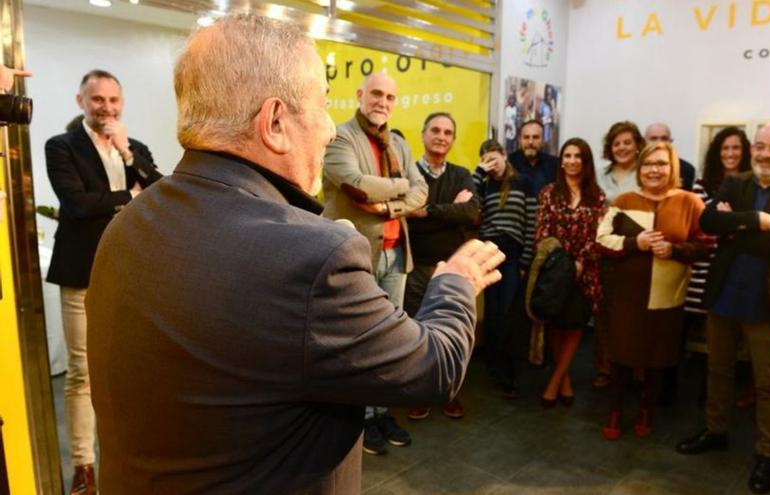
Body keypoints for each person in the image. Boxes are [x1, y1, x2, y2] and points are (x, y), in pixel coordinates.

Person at [86, 14, 504, 495]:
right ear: (276, 122)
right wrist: (455, 280)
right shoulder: (312, 256)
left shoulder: (128, 224)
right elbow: (435, 367)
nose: (328, 130)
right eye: (323, 107)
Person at [676, 122, 770, 494]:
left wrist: (733, 230)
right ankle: (716, 430)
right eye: (759, 146)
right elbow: (709, 221)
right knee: (718, 369)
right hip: (725, 293)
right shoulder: (736, 183)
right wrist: (753, 221)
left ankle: (766, 454)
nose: (766, 154)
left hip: (769, 301)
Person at [45, 69, 163, 495]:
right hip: (81, 273)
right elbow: (76, 204)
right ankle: (84, 467)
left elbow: (161, 191)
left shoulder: (136, 149)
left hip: (131, 272)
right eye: (98, 100)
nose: (107, 108)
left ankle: (129, 456)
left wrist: (127, 153)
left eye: (114, 100)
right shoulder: (61, 146)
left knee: (131, 368)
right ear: (81, 102)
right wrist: (128, 199)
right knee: (82, 374)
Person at [322, 72, 428, 455]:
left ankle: (380, 411)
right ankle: (361, 418)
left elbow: (423, 190)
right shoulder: (340, 136)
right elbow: (355, 183)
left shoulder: (398, 142)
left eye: (390, 96)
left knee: (387, 338)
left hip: (397, 254)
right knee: (360, 337)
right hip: (357, 254)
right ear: (360, 95)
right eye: (377, 94)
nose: (383, 101)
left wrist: (387, 206)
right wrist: (401, 186)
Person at [596, 141, 706, 440]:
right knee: (621, 353)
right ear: (639, 168)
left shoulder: (690, 203)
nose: (654, 170)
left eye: (662, 164)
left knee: (658, 355)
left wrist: (676, 250)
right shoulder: (623, 201)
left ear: (672, 168)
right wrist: (635, 244)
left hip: (667, 294)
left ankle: (647, 409)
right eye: (648, 164)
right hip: (626, 294)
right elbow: (601, 240)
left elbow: (706, 245)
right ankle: (616, 409)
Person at [404, 112, 480, 420]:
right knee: (415, 335)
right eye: (435, 130)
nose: (441, 136)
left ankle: (449, 392)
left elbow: (473, 213)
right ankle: (419, 394)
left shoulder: (461, 174)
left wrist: (430, 210)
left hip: (451, 270)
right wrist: (452, 210)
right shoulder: (409, 173)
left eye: (448, 132)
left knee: (453, 335)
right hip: (414, 266)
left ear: (452, 139)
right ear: (423, 135)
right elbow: (408, 211)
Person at [534, 137, 605, 407]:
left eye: (578, 156)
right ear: (561, 160)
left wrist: (579, 263)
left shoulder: (597, 197)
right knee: (555, 322)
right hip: (555, 270)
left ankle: (555, 382)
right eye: (568, 155)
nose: (572, 161)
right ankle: (563, 381)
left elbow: (598, 235)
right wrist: (563, 264)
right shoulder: (548, 193)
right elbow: (542, 233)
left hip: (585, 272)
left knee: (574, 324)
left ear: (586, 162)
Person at [685, 127, 753, 407]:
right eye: (725, 148)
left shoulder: (753, 185)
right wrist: (732, 223)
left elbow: (751, 229)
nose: (730, 153)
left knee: (729, 334)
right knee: (702, 330)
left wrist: (730, 223)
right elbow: (700, 225)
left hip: (736, 265)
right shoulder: (702, 185)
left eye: (736, 148)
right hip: (702, 265)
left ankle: (724, 393)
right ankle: (701, 391)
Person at [472, 139, 536, 392]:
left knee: (509, 312)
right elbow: (472, 207)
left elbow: (531, 222)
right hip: (488, 251)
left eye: (494, 157)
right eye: (485, 159)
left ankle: (509, 370)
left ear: (504, 155)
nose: (491, 163)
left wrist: (525, 259)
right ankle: (493, 364)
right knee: (493, 312)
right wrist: (478, 173)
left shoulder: (523, 183)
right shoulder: (485, 185)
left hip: (513, 250)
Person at [592, 120, 646, 389]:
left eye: (627, 142)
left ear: (637, 145)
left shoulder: (646, 174)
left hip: (637, 249)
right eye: (616, 144)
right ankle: (605, 368)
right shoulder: (600, 176)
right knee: (604, 312)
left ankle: (635, 367)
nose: (622, 148)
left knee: (635, 313)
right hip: (605, 249)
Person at [508, 119, 557, 193]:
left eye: (536, 137)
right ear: (519, 140)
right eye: (526, 137)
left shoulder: (554, 165)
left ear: (543, 140)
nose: (530, 142)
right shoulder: (508, 163)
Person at [644, 122, 696, 191]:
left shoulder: (686, 169)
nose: (659, 142)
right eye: (653, 139)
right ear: (644, 142)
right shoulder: (636, 166)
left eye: (664, 138)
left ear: (670, 141)